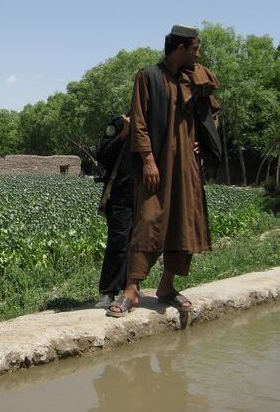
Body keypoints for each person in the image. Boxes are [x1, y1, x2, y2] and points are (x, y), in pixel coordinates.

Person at [106, 24, 221, 317]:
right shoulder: (148, 77)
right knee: (147, 221)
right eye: (195, 49)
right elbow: (139, 122)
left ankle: (166, 288)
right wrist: (147, 160)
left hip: (186, 166)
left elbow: (212, 117)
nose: (199, 54)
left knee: (183, 222)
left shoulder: (196, 77)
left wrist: (203, 144)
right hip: (156, 165)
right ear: (180, 49)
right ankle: (131, 291)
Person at [94, 115, 134, 308]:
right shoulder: (119, 123)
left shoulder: (157, 124)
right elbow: (102, 155)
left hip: (147, 194)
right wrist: (124, 133)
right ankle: (108, 292)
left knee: (138, 244)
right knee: (118, 242)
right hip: (119, 194)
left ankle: (131, 289)